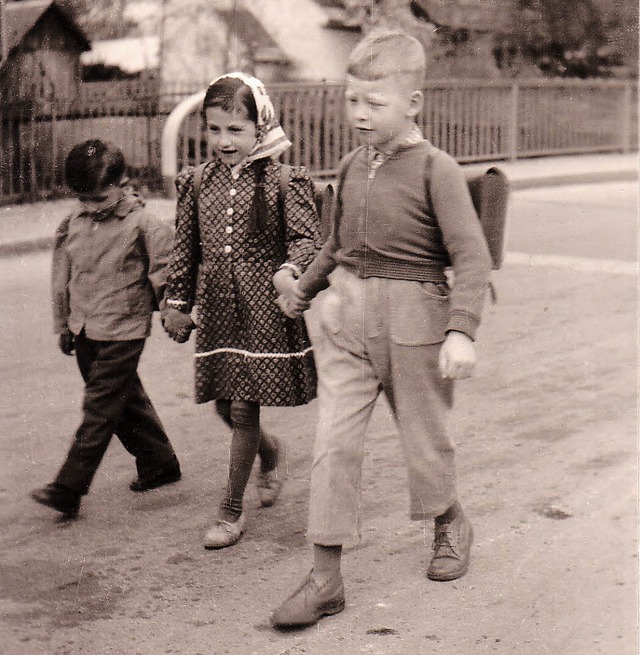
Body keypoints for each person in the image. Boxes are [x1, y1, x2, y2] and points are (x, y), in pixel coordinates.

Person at [270, 30, 493, 628]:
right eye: (352, 101)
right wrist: (305, 290)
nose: (360, 115)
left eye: (375, 103)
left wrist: (461, 330)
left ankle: (450, 521)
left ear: (413, 104)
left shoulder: (436, 171)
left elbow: (471, 258)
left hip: (415, 319)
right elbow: (336, 244)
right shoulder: (350, 164)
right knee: (332, 443)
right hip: (346, 319)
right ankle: (325, 577)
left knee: (423, 439)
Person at [162, 73, 320, 550]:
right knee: (221, 402)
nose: (224, 141)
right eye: (214, 130)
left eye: (236, 130)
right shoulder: (195, 183)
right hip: (219, 307)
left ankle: (230, 512)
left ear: (260, 125)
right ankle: (270, 454)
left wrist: (292, 270)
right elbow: (184, 249)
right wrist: (176, 303)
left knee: (241, 405)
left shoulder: (285, 180)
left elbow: (306, 238)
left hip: (264, 307)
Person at [31, 140, 181, 519]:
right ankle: (159, 462)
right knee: (123, 399)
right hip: (84, 327)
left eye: (98, 198)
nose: (91, 207)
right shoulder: (73, 224)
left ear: (123, 183)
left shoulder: (145, 224)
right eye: (83, 199)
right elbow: (61, 278)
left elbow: (166, 274)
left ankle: (69, 486)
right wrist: (63, 324)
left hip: (123, 330)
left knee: (99, 407)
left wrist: (172, 312)